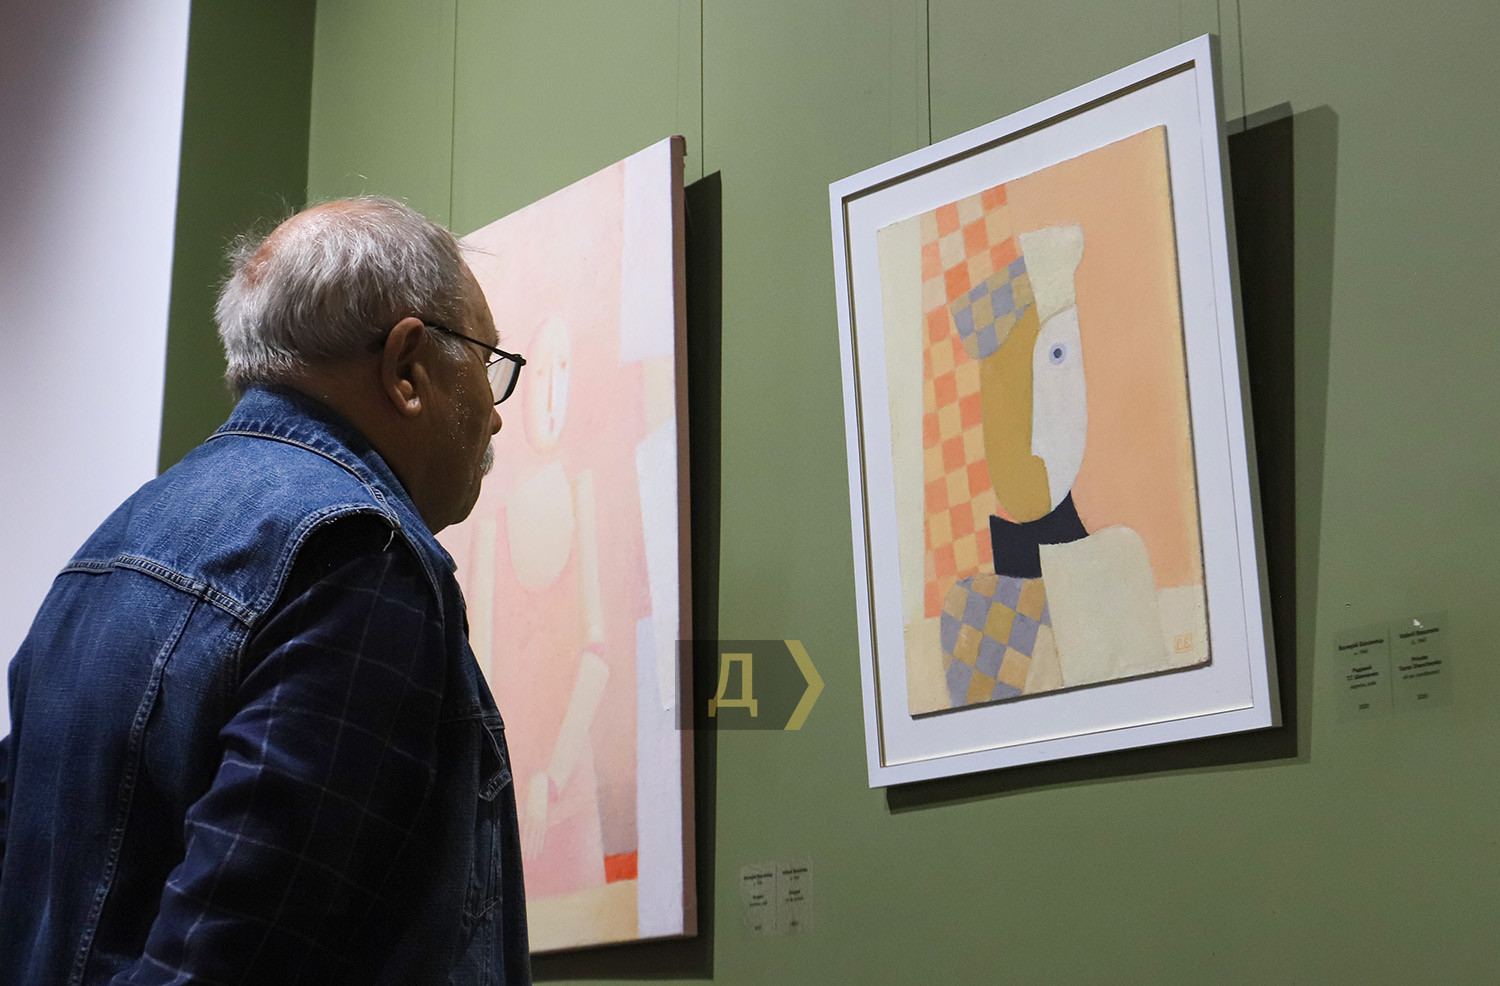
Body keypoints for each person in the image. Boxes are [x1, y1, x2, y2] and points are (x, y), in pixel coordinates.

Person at [0, 197, 530, 985]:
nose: (495, 416)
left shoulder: (102, 556)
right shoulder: (357, 555)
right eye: (486, 363)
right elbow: (247, 948)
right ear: (406, 367)